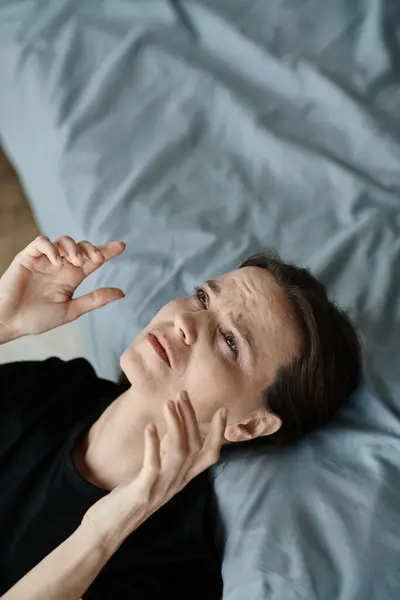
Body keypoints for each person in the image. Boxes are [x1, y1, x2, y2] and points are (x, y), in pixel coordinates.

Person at [0, 234, 362, 600]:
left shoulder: (172, 571)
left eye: (230, 341)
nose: (186, 323)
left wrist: (103, 533)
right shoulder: (55, 386)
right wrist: (4, 323)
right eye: (203, 298)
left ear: (249, 424)